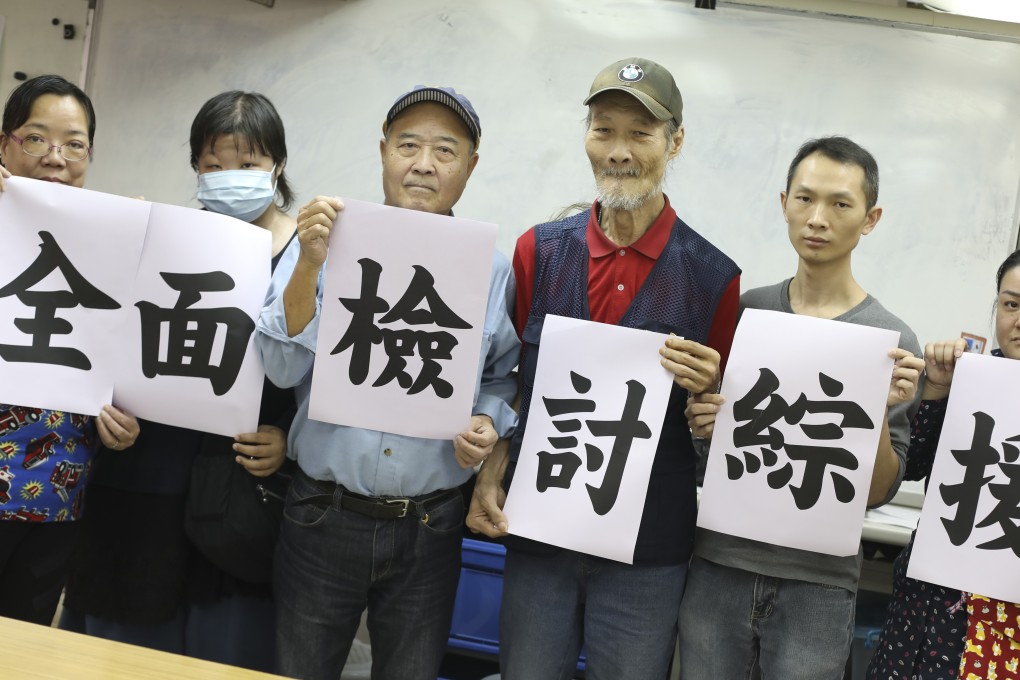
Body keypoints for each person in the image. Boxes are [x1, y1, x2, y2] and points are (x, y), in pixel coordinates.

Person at [467, 57, 741, 680]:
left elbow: (715, 420)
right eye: (603, 129)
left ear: (675, 143)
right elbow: (511, 382)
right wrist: (492, 469)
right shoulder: (538, 249)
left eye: (640, 134)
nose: (618, 151)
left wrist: (711, 393)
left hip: (647, 553)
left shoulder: (714, 277)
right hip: (539, 531)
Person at [256, 85, 519, 680]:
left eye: (445, 151)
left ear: (470, 167)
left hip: (430, 524)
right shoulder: (319, 241)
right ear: (383, 152)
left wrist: (486, 421)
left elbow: (503, 376)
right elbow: (279, 367)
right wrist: (308, 264)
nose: (423, 163)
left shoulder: (494, 269)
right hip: (321, 512)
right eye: (408, 145)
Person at [58, 91, 297, 673]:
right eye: (212, 166)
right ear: (195, 167)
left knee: (227, 649)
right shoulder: (163, 235)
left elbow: (323, 373)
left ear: (278, 167)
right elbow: (104, 339)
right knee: (126, 647)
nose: (228, 178)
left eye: (246, 164)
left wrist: (289, 439)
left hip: (240, 490)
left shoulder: (309, 251)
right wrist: (105, 406)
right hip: (145, 479)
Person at [678, 136, 925, 679]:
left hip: (820, 582)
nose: (818, 218)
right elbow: (707, 451)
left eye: (840, 204)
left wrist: (877, 411)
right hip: (720, 564)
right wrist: (705, 422)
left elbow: (880, 490)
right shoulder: (744, 313)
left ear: (870, 218)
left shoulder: (891, 338)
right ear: (783, 202)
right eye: (805, 199)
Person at [0, 74, 140, 626]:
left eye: (74, 144)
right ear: (5, 142)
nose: (56, 157)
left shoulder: (119, 240)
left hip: (55, 493)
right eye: (36, 138)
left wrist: (128, 420)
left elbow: (135, 364)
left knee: (23, 650)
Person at [866, 249, 1020, 679]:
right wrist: (935, 388)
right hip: (928, 606)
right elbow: (910, 466)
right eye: (1011, 304)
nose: (1019, 319)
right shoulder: (970, 380)